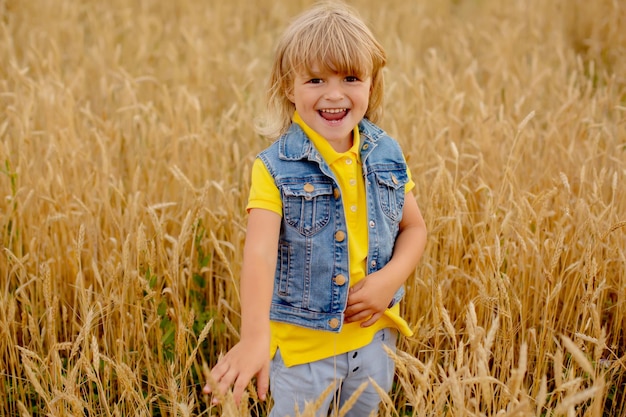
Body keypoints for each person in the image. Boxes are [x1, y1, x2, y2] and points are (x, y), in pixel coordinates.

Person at [204, 2, 427, 416]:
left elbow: (414, 229)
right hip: (304, 354)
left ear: (372, 84)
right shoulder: (274, 168)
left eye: (351, 78)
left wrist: (387, 282)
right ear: (289, 87)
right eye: (315, 79)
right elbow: (259, 253)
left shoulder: (385, 154)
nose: (334, 94)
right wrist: (254, 338)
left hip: (374, 345)